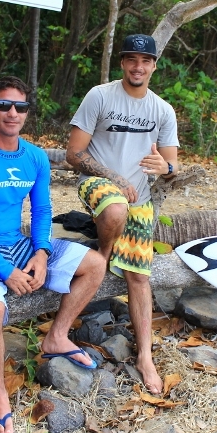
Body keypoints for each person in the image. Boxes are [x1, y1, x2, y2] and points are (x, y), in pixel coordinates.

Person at [0, 76, 106, 433]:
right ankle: (0, 398)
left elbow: (41, 210)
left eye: (20, 107)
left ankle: (57, 337)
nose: (12, 113)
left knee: (95, 264)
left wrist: (40, 253)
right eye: (4, 105)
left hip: (19, 244)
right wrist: (5, 271)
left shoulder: (35, 156)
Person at [66, 34, 179, 395]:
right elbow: (74, 154)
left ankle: (145, 356)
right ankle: (100, 259)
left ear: (154, 66)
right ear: (123, 64)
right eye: (131, 59)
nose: (138, 67)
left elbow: (172, 162)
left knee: (139, 277)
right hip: (97, 186)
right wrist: (114, 177)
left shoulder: (161, 109)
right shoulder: (100, 96)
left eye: (145, 61)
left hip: (140, 200)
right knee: (114, 207)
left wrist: (166, 166)